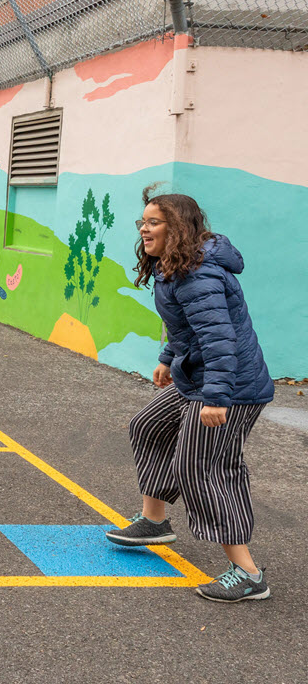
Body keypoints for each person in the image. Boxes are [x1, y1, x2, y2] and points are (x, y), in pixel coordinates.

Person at [105, 187, 275, 603]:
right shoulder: (177, 265)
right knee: (148, 426)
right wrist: (168, 356)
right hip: (197, 376)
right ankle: (155, 521)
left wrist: (217, 397)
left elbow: (220, 340)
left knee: (203, 467)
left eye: (154, 222)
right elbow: (189, 327)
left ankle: (248, 573)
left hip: (228, 386)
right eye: (142, 222)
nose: (144, 229)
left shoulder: (199, 273)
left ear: (177, 228)